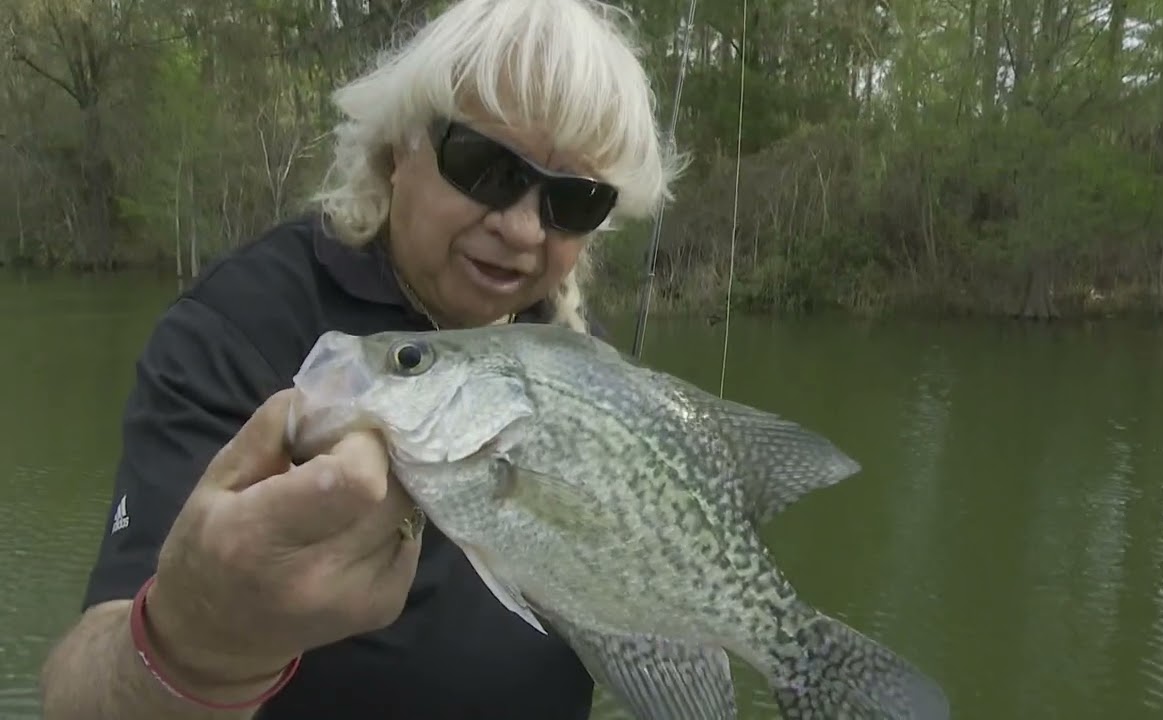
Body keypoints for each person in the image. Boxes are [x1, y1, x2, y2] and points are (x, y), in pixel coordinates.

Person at [38, 0, 683, 717]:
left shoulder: (579, 359)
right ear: (398, 147)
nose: (523, 226)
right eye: (485, 166)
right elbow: (79, 695)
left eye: (574, 200)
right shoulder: (242, 327)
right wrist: (200, 645)